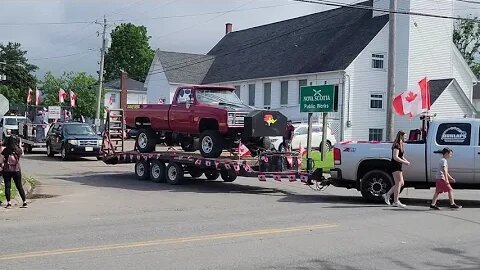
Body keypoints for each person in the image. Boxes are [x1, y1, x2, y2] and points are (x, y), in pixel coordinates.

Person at [382, 130, 410, 208]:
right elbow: (395, 157)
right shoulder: (396, 145)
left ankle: (387, 195)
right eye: (404, 136)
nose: (406, 137)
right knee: (398, 183)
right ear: (401, 136)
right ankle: (395, 201)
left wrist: (406, 161)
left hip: (398, 165)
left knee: (401, 183)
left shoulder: (401, 144)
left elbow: (401, 156)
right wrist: (404, 162)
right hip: (395, 165)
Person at [1, 136, 27, 209]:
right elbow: (22, 153)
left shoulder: (5, 150)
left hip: (7, 170)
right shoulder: (18, 150)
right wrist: (19, 144)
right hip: (16, 170)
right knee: (19, 186)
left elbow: (2, 159)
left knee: (7, 186)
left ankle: (9, 203)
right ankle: (24, 202)